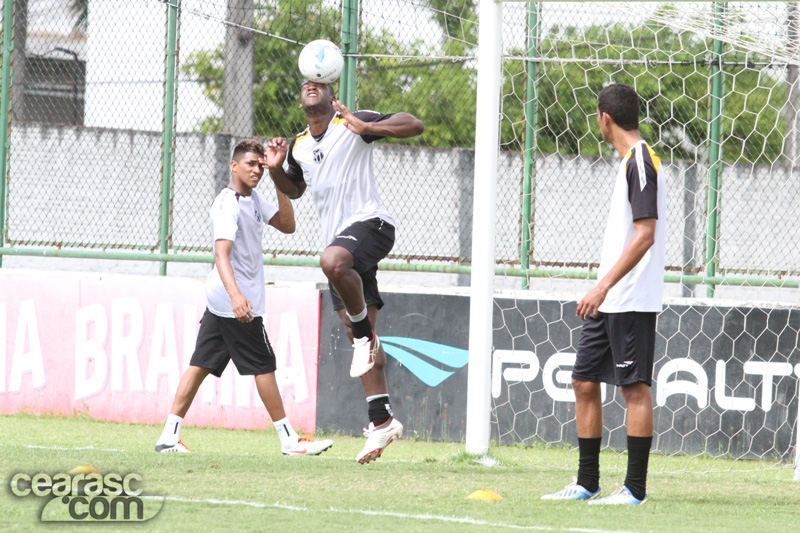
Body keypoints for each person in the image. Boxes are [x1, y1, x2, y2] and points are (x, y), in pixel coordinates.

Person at [265, 80, 424, 464]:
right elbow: (296, 189)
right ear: (301, 98)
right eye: (304, 82)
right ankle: (381, 420)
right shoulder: (299, 145)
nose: (310, 86)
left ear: (331, 88)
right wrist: (274, 171)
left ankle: (364, 338)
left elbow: (414, 124)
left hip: (372, 225)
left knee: (332, 264)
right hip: (343, 245)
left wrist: (369, 128)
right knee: (359, 333)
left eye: (319, 81)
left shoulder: (350, 123)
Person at [155, 139, 333, 456]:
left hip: (224, 300)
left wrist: (278, 176)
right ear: (234, 165)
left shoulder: (252, 200)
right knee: (264, 365)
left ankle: (169, 435)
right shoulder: (227, 204)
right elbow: (221, 254)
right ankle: (288, 440)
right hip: (235, 302)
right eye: (250, 164)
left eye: (260, 165)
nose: (256, 170)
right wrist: (237, 297)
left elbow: (288, 225)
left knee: (200, 364)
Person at [542, 83, 666, 504]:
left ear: (604, 118)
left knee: (634, 389)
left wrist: (603, 285)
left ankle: (634, 489)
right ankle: (587, 481)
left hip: (628, 296)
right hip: (611, 297)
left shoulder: (641, 162)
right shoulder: (630, 162)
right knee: (582, 381)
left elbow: (645, 234)